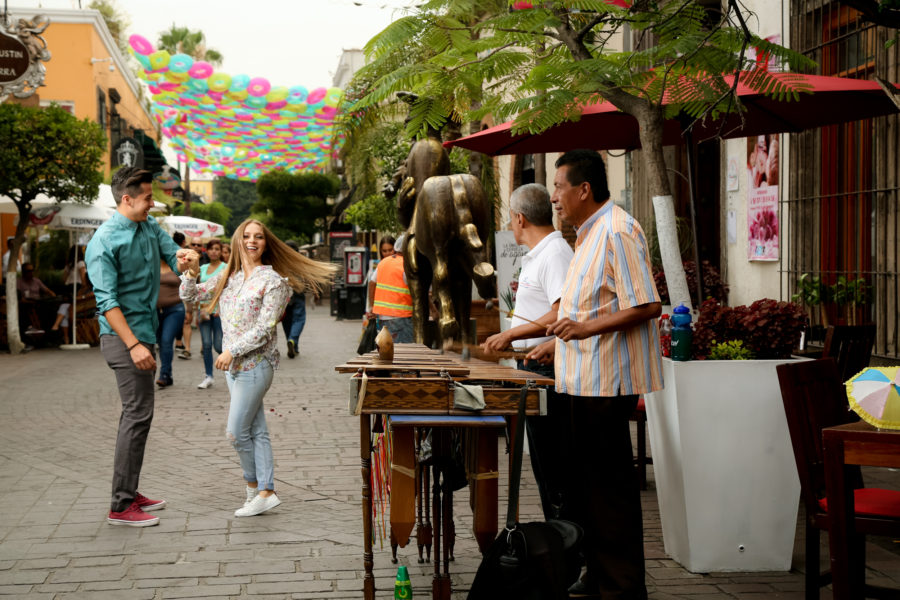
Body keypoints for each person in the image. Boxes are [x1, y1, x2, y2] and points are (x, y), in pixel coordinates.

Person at [528, 150, 663, 599]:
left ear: (583, 189)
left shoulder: (618, 230)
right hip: (581, 382)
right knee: (588, 492)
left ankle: (622, 588)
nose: (554, 198)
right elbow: (586, 308)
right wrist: (557, 341)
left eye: (559, 187)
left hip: (608, 384)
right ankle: (600, 578)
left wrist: (583, 329)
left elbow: (646, 305)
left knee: (610, 495)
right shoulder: (587, 234)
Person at [179, 219, 334, 517]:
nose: (252, 241)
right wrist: (192, 271)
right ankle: (264, 491)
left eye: (258, 237)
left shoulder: (274, 281)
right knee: (257, 430)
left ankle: (256, 489)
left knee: (236, 432)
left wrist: (230, 351)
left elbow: (265, 330)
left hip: (255, 365)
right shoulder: (230, 275)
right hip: (232, 368)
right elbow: (191, 295)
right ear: (237, 240)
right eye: (247, 236)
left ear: (266, 243)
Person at [85, 166, 185, 527]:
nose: (152, 203)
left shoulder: (147, 227)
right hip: (123, 339)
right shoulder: (103, 243)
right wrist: (134, 346)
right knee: (136, 415)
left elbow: (172, 254)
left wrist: (184, 260)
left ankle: (129, 489)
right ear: (126, 199)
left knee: (139, 417)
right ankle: (121, 505)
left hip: (145, 332)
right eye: (146, 198)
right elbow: (106, 302)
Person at [482, 183, 573, 520]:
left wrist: (513, 334)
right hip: (531, 367)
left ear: (519, 218)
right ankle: (560, 538)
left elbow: (563, 311)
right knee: (543, 465)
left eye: (510, 217)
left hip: (547, 369)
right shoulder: (542, 254)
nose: (510, 223)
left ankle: (567, 542)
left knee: (554, 466)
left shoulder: (555, 254)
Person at [365, 234, 413, 343]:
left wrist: (372, 306)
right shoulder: (406, 264)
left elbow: (372, 282)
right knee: (403, 351)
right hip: (401, 316)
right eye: (384, 251)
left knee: (388, 349)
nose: (387, 253)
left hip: (383, 317)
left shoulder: (382, 264)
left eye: (390, 250)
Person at [196, 239, 226, 388]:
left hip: (219, 312)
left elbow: (228, 290)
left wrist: (222, 308)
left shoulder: (225, 267)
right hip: (203, 311)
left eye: (217, 249)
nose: (214, 251)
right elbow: (198, 289)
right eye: (211, 249)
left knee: (219, 345)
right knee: (206, 345)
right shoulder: (202, 268)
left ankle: (232, 371)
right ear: (206, 251)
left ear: (221, 252)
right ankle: (209, 376)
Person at [155, 257, 185, 388]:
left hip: (175, 309)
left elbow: (190, 285)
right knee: (161, 343)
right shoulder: (151, 266)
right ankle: (168, 374)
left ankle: (164, 374)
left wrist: (189, 310)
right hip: (155, 311)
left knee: (167, 340)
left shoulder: (177, 266)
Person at [281, 240, 307, 359]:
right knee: (299, 319)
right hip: (298, 293)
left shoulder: (280, 262)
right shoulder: (300, 262)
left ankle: (293, 345)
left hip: (284, 295)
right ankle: (292, 340)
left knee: (287, 321)